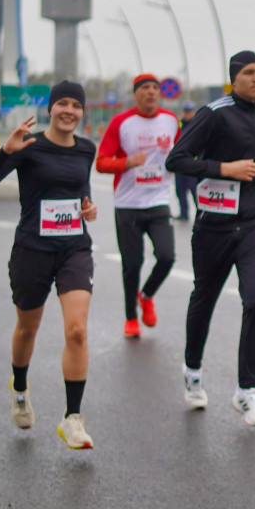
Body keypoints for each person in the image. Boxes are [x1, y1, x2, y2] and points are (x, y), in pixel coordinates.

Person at [0, 81, 99, 450]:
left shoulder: (86, 149)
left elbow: (82, 194)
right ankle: (20, 388)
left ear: (82, 111)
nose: (69, 110)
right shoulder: (28, 146)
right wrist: (4, 152)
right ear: (50, 109)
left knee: (76, 330)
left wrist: (89, 208)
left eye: (76, 104)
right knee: (27, 329)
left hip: (75, 248)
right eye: (62, 103)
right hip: (32, 250)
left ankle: (72, 418)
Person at [165, 51, 255, 427]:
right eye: (249, 73)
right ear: (234, 78)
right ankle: (193, 371)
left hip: (253, 224)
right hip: (214, 225)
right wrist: (223, 169)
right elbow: (177, 160)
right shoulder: (214, 113)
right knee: (205, 296)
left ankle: (246, 392)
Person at [96, 74, 179, 339]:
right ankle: (131, 318)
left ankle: (146, 295)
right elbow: (101, 162)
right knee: (132, 264)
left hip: (159, 201)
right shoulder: (121, 122)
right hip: (128, 203)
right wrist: (126, 163)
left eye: (155, 88)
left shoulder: (170, 120)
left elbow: (181, 152)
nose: (151, 92)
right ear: (136, 94)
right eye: (145, 88)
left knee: (166, 257)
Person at [173, 100, 199, 220]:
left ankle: (200, 214)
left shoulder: (197, 124)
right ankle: (184, 213)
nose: (187, 114)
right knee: (180, 190)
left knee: (195, 190)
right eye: (186, 111)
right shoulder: (179, 124)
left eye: (189, 111)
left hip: (192, 163)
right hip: (180, 163)